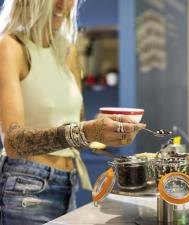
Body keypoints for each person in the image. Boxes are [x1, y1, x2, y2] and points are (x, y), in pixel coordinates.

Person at [0, 0, 146, 224]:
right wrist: (87, 131)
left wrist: (105, 130)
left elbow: (75, 131)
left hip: (69, 182)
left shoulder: (67, 52)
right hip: (26, 186)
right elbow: (13, 143)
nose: (63, 4)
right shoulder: (10, 47)